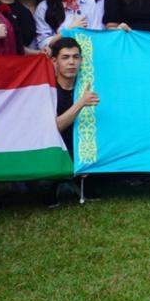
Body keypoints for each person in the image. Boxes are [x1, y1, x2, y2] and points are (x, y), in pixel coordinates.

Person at [48, 38, 101, 203]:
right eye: (65, 57)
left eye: (76, 57)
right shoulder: (47, 90)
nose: (71, 62)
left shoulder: (88, 85)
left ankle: (74, 179)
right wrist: (81, 103)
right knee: (43, 189)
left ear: (82, 60)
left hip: (84, 150)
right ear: (54, 61)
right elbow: (53, 127)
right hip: (56, 151)